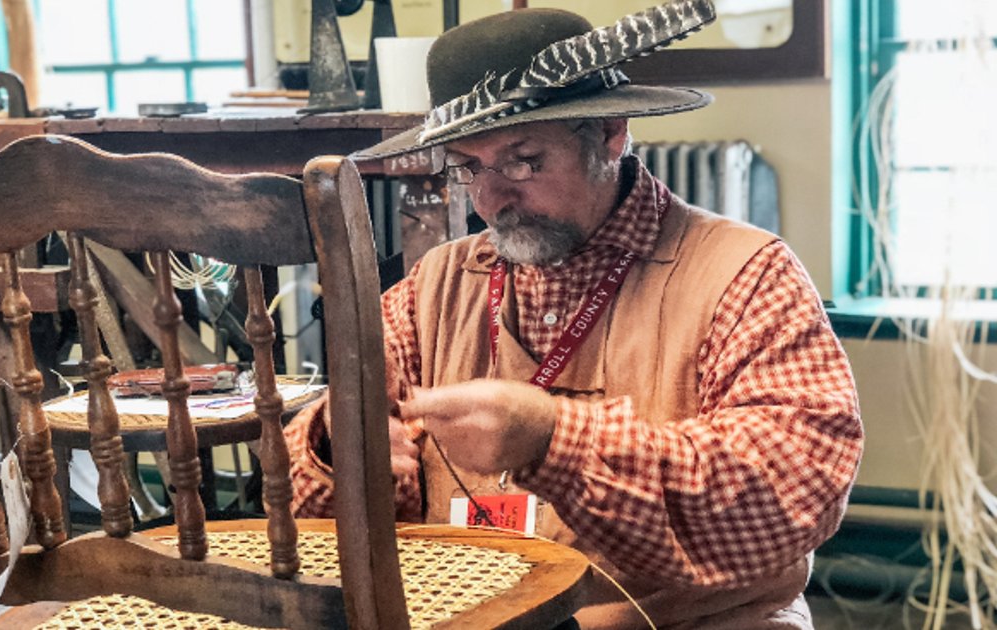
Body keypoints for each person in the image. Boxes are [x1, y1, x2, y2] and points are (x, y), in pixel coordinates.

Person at [284, 3, 863, 628]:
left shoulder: (744, 272)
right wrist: (335, 445)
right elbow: (316, 505)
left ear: (610, 131)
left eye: (522, 160)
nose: (492, 198)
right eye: (470, 168)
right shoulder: (439, 282)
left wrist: (554, 438)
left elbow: (792, 491)